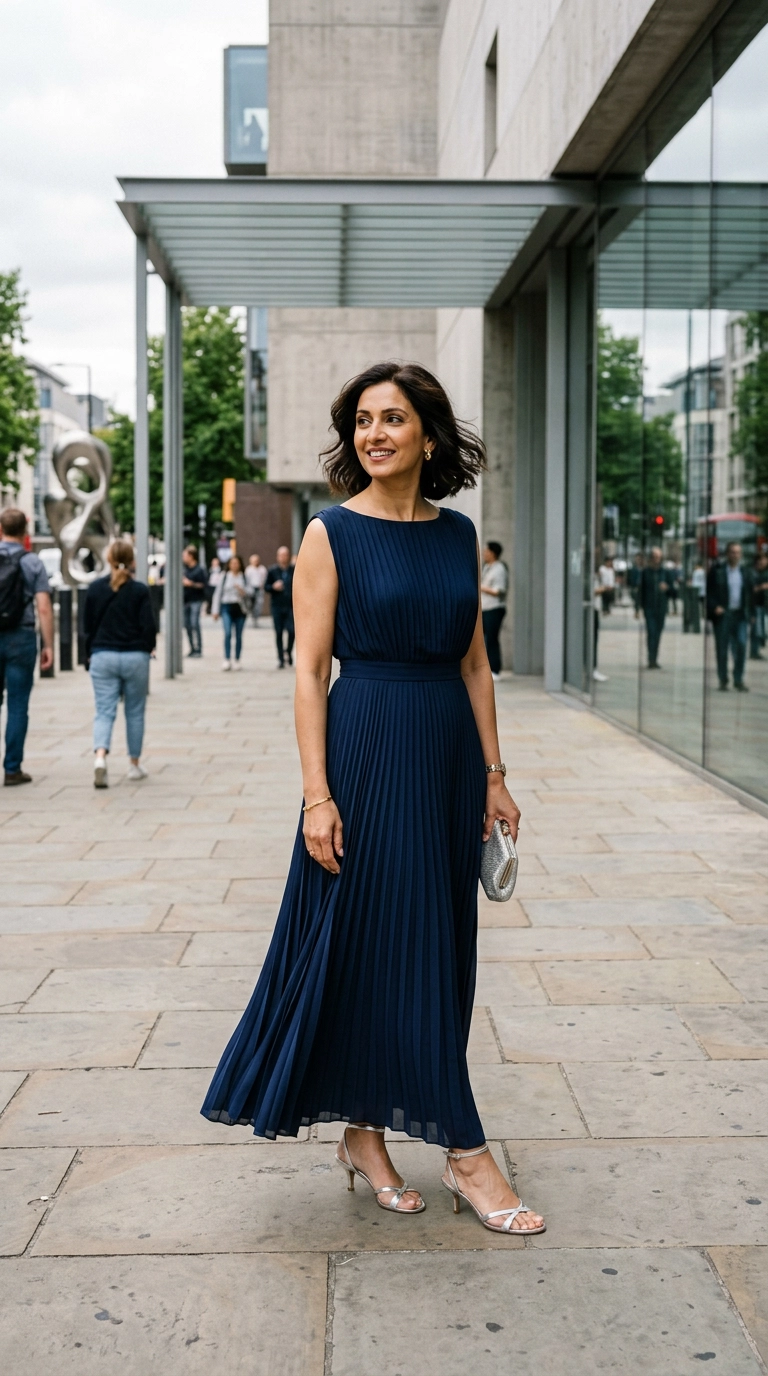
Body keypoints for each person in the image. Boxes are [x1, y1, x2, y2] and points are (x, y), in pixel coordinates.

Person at [202, 360, 545, 1238]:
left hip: (445, 758)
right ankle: (466, 1151)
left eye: (394, 419)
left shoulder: (456, 534)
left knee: (437, 948)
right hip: (364, 750)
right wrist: (317, 796)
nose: (374, 434)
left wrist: (495, 775)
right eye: (362, 420)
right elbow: (310, 673)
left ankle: (365, 1135)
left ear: (429, 435)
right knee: (364, 943)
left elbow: (474, 662)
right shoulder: (329, 534)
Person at [84, 538, 156, 788]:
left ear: (109, 560)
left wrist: (88, 654)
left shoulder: (94, 589)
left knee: (104, 711)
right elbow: (148, 626)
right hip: (135, 656)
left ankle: (100, 758)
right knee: (135, 712)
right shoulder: (139, 590)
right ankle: (134, 764)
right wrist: (148, 649)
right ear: (132, 560)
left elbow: (87, 628)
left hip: (103, 656)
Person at [0, 507, 53, 785]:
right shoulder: (33, 562)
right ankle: (12, 769)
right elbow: (43, 607)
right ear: (25, 532)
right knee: (18, 705)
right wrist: (48, 645)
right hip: (21, 637)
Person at [707, 541, 754, 691]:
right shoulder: (717, 570)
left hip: (740, 615)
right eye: (732, 552)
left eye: (738, 552)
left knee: (741, 645)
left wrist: (751, 613)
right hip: (723, 615)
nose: (735, 555)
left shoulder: (745, 572)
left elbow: (750, 594)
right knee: (722, 648)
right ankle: (723, 679)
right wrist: (715, 607)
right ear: (727, 554)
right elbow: (709, 592)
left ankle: (738, 679)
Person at [212, 554, 248, 670]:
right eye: (232, 563)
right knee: (227, 633)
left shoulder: (244, 577)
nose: (234, 565)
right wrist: (215, 610)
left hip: (240, 608)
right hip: (226, 606)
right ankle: (227, 659)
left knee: (238, 635)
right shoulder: (224, 576)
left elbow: (251, 592)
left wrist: (241, 590)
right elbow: (217, 593)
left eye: (236, 563)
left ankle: (237, 659)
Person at [639, 546, 670, 669]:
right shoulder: (646, 572)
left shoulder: (665, 572)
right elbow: (641, 591)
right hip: (649, 607)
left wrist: (667, 588)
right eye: (655, 557)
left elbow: (673, 591)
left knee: (657, 633)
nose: (657, 559)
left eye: (659, 557)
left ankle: (655, 658)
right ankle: (651, 658)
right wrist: (638, 608)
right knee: (651, 632)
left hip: (661, 608)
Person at [480, 541, 507, 680]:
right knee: (484, 640)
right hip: (484, 608)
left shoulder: (499, 569)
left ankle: (495, 670)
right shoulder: (487, 567)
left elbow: (498, 591)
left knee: (492, 638)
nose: (484, 554)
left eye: (487, 552)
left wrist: (480, 587)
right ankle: (488, 668)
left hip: (494, 608)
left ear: (493, 553)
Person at [265, 545, 295, 669]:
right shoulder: (272, 571)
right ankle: (281, 659)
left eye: (286, 555)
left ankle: (288, 651)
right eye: (281, 555)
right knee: (278, 632)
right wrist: (273, 587)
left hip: (290, 606)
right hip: (277, 605)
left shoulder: (294, 570)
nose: (283, 557)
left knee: (292, 631)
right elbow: (266, 587)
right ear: (277, 557)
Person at [182, 545, 206, 658]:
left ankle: (199, 648)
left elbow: (204, 585)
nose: (183, 558)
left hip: (196, 600)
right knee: (187, 625)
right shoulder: (184, 569)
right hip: (185, 600)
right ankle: (192, 648)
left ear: (191, 556)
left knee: (194, 623)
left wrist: (191, 584)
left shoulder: (199, 570)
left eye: (185, 555)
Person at [750, 552, 768, 661]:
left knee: (761, 630)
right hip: (757, 605)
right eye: (759, 560)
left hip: (765, 604)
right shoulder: (753, 573)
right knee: (756, 630)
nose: (761, 562)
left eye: (763, 559)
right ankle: (754, 651)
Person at [592, 568, 609, 683]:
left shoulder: (596, 573)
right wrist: (599, 590)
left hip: (595, 609)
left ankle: (593, 668)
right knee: (592, 640)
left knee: (594, 640)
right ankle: (592, 669)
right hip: (591, 609)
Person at [245, 553, 267, 625]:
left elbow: (264, 579)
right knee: (251, 604)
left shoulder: (262, 569)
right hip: (251, 588)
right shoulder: (248, 570)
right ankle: (252, 616)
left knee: (259, 604)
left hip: (259, 588)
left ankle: (256, 617)